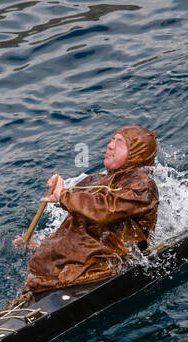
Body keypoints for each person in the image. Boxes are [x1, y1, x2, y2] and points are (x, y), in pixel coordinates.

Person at [15, 126, 160, 294]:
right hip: (66, 265)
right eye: (112, 139)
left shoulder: (142, 185)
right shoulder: (94, 180)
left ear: (136, 152)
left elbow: (105, 210)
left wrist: (64, 195)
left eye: (119, 142)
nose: (110, 145)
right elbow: (74, 226)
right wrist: (38, 243)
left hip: (99, 267)